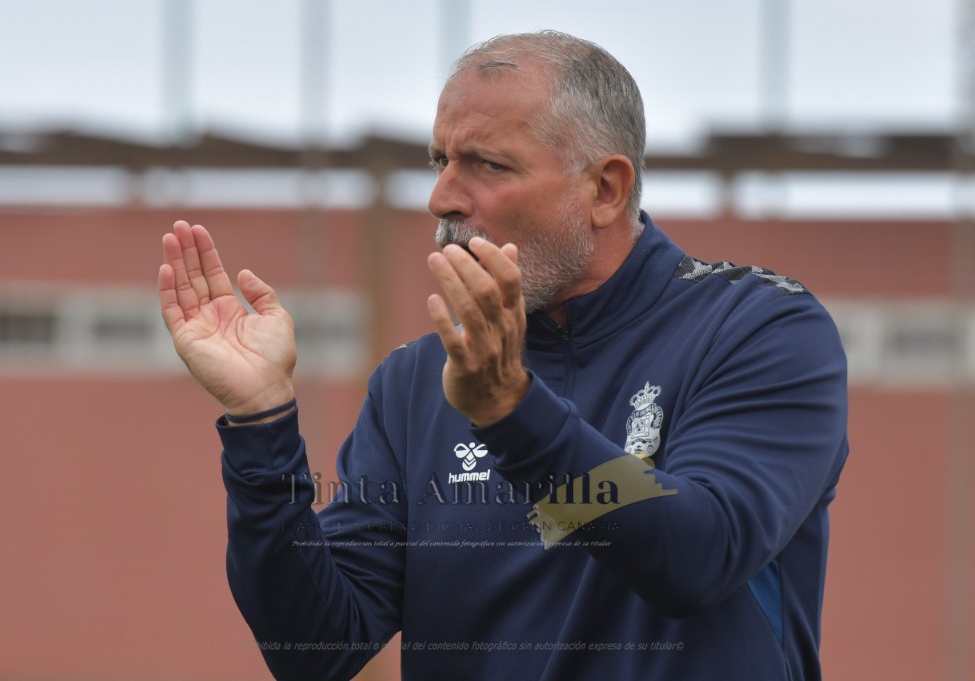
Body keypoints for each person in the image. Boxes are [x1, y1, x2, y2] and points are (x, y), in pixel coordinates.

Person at [159, 31, 848, 681]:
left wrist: (512, 414)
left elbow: (699, 556)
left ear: (604, 190)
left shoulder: (758, 328)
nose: (442, 198)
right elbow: (315, 647)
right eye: (441, 161)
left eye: (488, 165)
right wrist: (261, 425)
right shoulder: (415, 383)